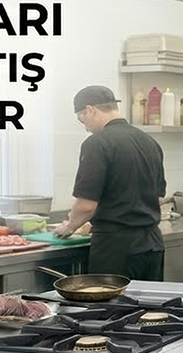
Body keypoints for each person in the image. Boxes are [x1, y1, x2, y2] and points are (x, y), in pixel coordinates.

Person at [51, 85, 168, 281]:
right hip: (153, 244)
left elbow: (87, 205)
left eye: (82, 120)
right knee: (149, 300)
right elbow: (156, 195)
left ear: (90, 110)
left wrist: (69, 226)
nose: (86, 128)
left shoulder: (97, 143)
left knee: (112, 301)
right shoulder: (149, 141)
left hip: (116, 248)